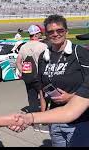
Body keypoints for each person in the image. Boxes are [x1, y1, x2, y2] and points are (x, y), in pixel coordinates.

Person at [10, 14, 89, 147]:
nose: (55, 34)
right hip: (55, 122)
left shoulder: (79, 52)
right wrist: (43, 114)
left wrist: (71, 97)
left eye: (60, 30)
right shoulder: (44, 56)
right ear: (46, 34)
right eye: (51, 32)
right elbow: (42, 88)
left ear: (66, 32)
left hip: (80, 122)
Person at [16, 24, 48, 132]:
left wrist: (23, 72)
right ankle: (43, 121)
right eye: (39, 33)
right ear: (37, 34)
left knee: (32, 98)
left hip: (28, 76)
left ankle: (33, 121)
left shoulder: (24, 46)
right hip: (39, 76)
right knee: (42, 97)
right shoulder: (42, 46)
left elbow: (18, 62)